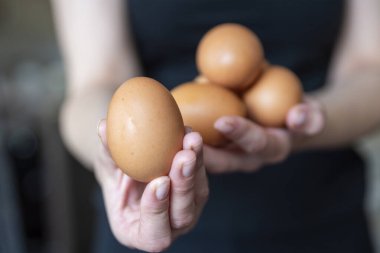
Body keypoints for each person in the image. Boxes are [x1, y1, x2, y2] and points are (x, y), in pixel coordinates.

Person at [51, 0, 380, 252]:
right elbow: (95, 82)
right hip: (153, 211)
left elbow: (370, 69)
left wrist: (309, 120)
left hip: (322, 217)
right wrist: (116, 160)